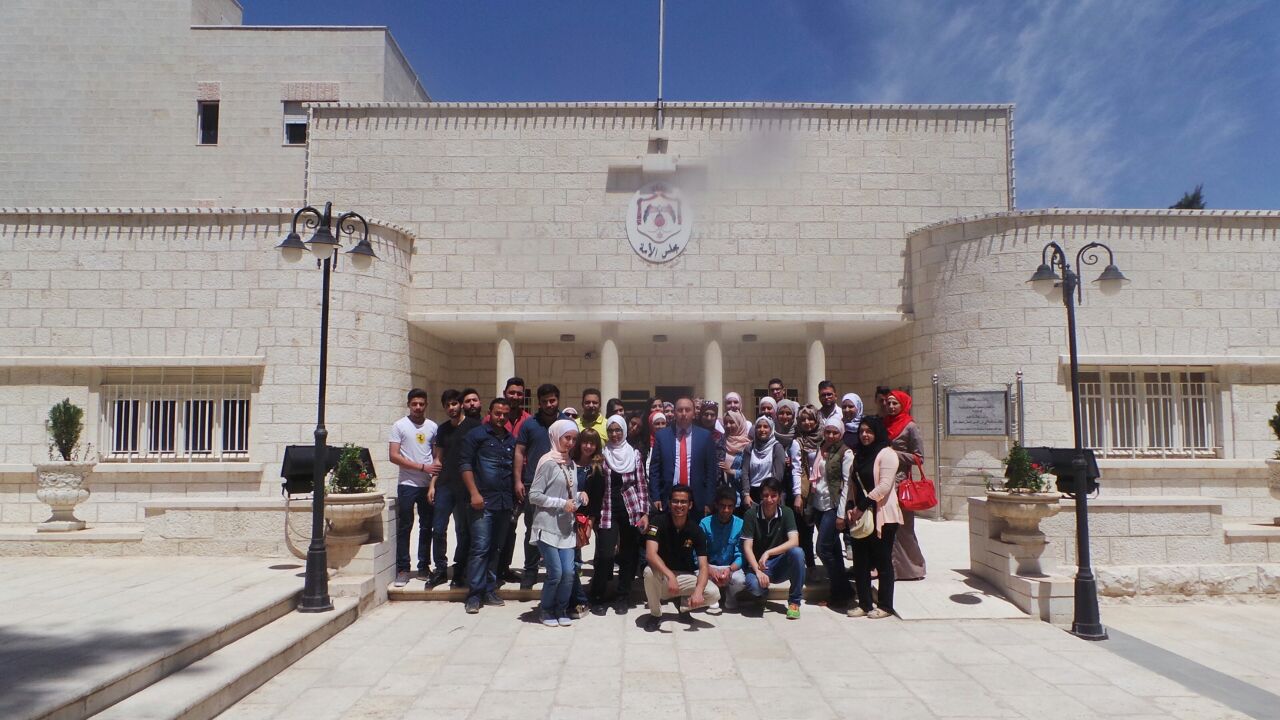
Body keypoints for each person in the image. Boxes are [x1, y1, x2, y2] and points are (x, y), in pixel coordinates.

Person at [459, 398, 518, 614]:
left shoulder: (511, 440)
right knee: (480, 548)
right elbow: (465, 464)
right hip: (482, 502)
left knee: (496, 548)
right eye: (497, 413)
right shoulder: (476, 435)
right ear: (489, 413)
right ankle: (474, 595)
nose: (501, 417)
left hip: (504, 502)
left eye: (505, 414)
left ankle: (489, 589)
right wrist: (474, 493)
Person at [587, 415, 650, 613]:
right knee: (606, 554)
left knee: (628, 555)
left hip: (630, 509)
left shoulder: (635, 455)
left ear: (624, 431)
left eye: (618, 430)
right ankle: (597, 595)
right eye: (611, 430)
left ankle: (623, 596)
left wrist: (644, 512)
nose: (614, 434)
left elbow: (641, 484)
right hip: (607, 509)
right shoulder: (601, 455)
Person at [843, 416, 903, 619]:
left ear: (877, 432)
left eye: (869, 431)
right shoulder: (859, 455)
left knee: (882, 561)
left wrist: (861, 506)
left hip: (882, 516)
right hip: (860, 517)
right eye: (861, 431)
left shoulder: (887, 454)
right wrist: (850, 506)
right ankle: (865, 603)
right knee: (861, 562)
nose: (864, 435)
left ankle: (885, 606)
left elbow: (885, 486)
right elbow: (851, 484)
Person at [528, 419, 586, 627]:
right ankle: (546, 610)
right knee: (556, 573)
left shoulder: (570, 463)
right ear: (556, 437)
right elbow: (534, 495)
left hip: (565, 527)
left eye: (573, 439)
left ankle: (561, 609)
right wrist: (562, 503)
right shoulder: (547, 462)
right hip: (547, 526)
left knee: (569, 573)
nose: (570, 443)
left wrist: (580, 496)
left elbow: (567, 492)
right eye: (566, 438)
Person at [509, 383, 564, 589]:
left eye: (552, 400)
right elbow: (519, 452)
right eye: (544, 401)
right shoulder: (529, 424)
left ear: (558, 400)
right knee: (533, 529)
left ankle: (556, 571)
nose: (549, 404)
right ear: (539, 403)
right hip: (534, 483)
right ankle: (530, 571)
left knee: (560, 528)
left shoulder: (566, 422)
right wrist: (517, 480)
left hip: (561, 484)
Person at [642, 485, 719, 629]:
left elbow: (703, 566)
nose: (679, 505)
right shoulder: (657, 522)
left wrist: (698, 592)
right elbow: (650, 554)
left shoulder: (696, 530)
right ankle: (655, 614)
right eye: (675, 501)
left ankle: (684, 607)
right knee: (648, 572)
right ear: (669, 503)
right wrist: (670, 575)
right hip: (662, 576)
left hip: (684, 576)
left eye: (683, 502)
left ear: (690, 505)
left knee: (713, 593)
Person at [428, 387, 481, 588]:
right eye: (447, 405)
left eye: (454, 403)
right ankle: (440, 569)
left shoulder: (474, 426)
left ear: (460, 405)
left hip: (465, 487)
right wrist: (432, 485)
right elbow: (438, 459)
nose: (451, 408)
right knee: (438, 529)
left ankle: (460, 570)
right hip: (445, 485)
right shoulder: (442, 429)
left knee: (463, 530)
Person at [389, 388, 441, 588]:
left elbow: (436, 457)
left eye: (421, 404)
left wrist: (433, 480)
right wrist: (421, 467)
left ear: (426, 405)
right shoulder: (399, 426)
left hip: (427, 485)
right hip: (407, 484)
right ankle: (403, 568)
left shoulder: (432, 427)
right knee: (405, 526)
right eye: (414, 404)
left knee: (427, 526)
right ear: (408, 405)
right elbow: (394, 456)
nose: (418, 407)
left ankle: (423, 566)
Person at [741, 477, 805, 619]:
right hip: (758, 566)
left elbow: (794, 541)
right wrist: (757, 571)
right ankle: (762, 593)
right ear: (760, 496)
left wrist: (768, 552)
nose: (769, 499)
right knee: (754, 586)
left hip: (779, 565)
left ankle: (794, 602)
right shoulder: (751, 514)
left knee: (798, 553)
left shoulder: (787, 512)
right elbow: (747, 547)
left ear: (780, 496)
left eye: (773, 495)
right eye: (765, 495)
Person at [648, 396, 718, 517]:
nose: (684, 413)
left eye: (687, 410)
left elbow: (711, 471)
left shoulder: (705, 436)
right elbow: (654, 470)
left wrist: (709, 501)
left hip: (697, 500)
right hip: (668, 499)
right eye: (680, 410)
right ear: (674, 413)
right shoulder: (662, 436)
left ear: (694, 413)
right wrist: (656, 496)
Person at [812, 417, 855, 607]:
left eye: (835, 432)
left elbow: (847, 485)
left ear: (841, 433)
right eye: (828, 431)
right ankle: (839, 593)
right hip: (818, 504)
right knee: (834, 550)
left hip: (833, 506)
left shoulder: (846, 453)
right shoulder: (821, 447)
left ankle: (843, 587)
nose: (830, 436)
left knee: (822, 548)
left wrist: (841, 514)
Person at [885, 390, 927, 580]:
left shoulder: (910, 426)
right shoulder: (885, 423)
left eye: (895, 403)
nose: (891, 407)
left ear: (903, 405)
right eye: (888, 403)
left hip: (901, 482)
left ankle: (913, 569)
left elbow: (919, 458)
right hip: (885, 481)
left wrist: (894, 454)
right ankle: (890, 569)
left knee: (904, 528)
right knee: (887, 527)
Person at [699, 487, 746, 611]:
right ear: (716, 505)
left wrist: (730, 569)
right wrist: (709, 569)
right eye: (723, 506)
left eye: (730, 506)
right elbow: (697, 553)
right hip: (708, 566)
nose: (726, 510)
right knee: (696, 575)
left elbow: (741, 555)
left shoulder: (740, 524)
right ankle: (711, 594)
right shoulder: (704, 524)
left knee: (741, 581)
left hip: (730, 567)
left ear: (734, 507)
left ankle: (731, 594)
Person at [791, 404, 824, 567]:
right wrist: (797, 495)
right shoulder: (797, 442)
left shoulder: (825, 438)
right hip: (807, 492)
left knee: (825, 533)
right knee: (806, 532)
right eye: (803, 419)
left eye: (810, 418)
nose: (807, 422)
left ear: (816, 420)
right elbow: (796, 469)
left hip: (824, 491)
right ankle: (810, 566)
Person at [742, 416, 787, 509]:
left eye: (765, 427)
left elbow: (778, 476)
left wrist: (769, 496)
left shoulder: (777, 448)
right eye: (759, 427)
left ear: (771, 429)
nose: (762, 430)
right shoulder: (749, 448)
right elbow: (745, 472)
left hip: (771, 493)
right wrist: (746, 494)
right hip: (752, 494)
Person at [718, 410, 752, 507]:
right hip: (722, 497)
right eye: (726, 423)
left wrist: (732, 471)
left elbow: (750, 472)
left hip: (740, 498)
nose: (728, 425)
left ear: (739, 423)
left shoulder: (748, 446)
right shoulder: (720, 442)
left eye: (732, 422)